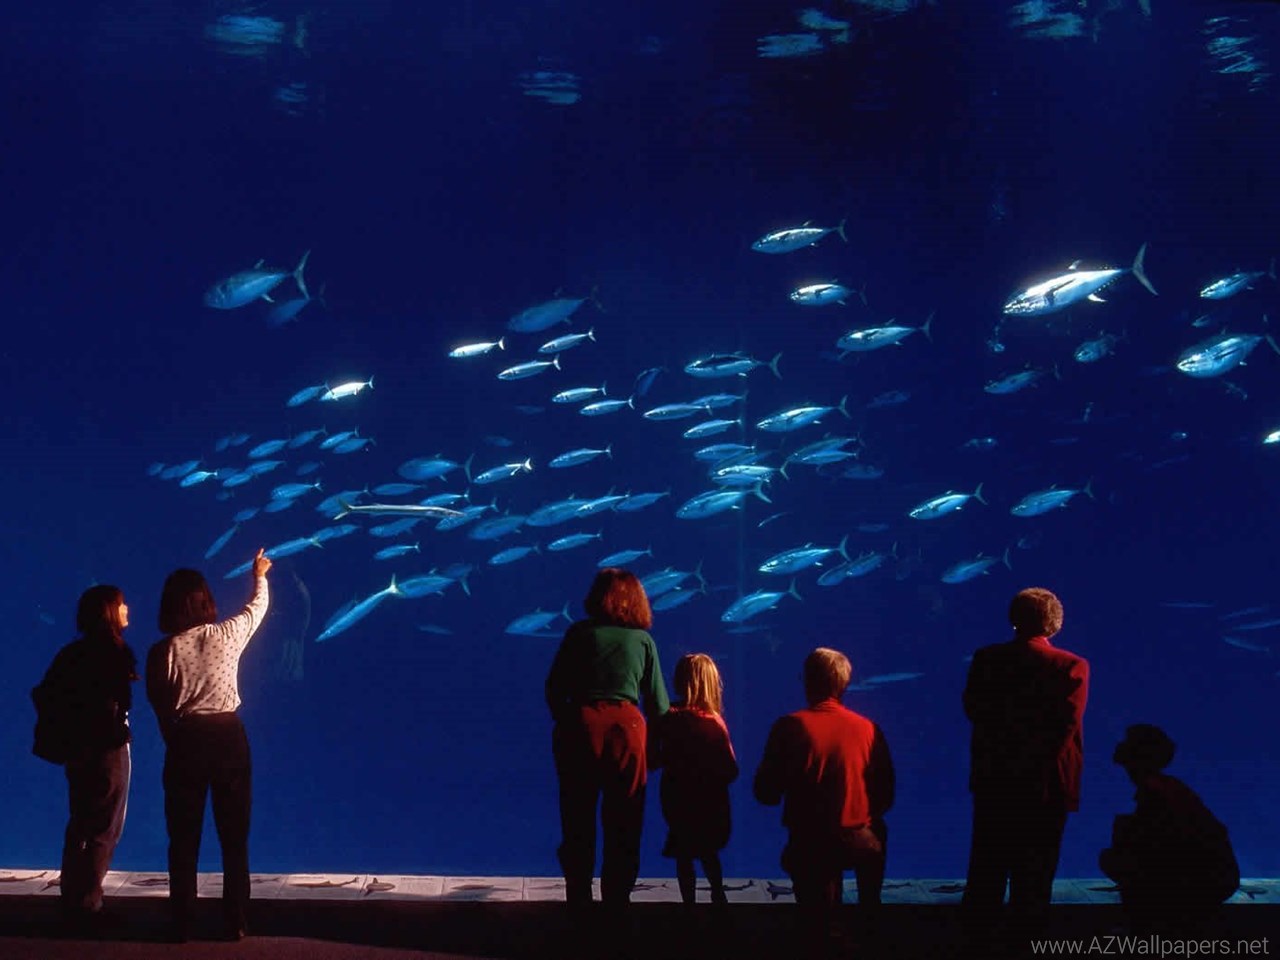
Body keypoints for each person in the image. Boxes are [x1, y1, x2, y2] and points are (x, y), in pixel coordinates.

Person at [147, 548, 271, 942]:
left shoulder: (163, 651)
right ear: (206, 601)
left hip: (186, 739)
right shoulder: (227, 635)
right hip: (228, 737)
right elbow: (257, 609)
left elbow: (160, 705)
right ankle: (235, 919)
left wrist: (175, 739)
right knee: (234, 836)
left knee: (183, 837)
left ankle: (181, 921)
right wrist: (259, 575)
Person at [962, 586, 1089, 952]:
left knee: (986, 870)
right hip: (1046, 786)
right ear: (1055, 623)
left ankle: (974, 947)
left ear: (1013, 619)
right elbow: (1066, 725)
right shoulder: (1071, 665)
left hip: (995, 780)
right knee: (1035, 877)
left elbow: (973, 709)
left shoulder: (987, 659)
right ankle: (1027, 946)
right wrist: (1035, 767)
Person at [545, 568, 670, 915]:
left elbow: (554, 688)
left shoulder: (579, 633)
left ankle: (579, 901)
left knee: (577, 817)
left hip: (581, 726)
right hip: (627, 730)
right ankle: (617, 903)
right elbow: (658, 705)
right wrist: (657, 749)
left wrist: (568, 720)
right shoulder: (643, 641)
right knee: (625, 820)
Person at [754, 647, 894, 956]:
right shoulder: (869, 729)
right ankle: (870, 920)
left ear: (808, 681)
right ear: (844, 684)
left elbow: (765, 793)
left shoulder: (789, 726)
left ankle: (820, 933)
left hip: (810, 842)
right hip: (860, 841)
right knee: (878, 831)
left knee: (815, 909)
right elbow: (886, 794)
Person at [32, 585, 137, 929]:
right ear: (108, 612)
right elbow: (112, 703)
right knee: (105, 826)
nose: (127, 609)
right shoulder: (113, 653)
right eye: (121, 604)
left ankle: (72, 897)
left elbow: (43, 693)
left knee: (80, 821)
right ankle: (89, 904)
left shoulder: (72, 653)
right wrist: (111, 729)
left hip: (77, 751)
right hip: (107, 751)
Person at [1099, 724, 1239, 935]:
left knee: (1116, 856)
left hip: (1204, 880)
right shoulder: (1167, 787)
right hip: (1214, 875)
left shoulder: (1155, 792)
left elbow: (1156, 846)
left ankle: (1153, 928)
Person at [650, 653, 738, 906]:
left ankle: (688, 906)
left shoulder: (669, 718)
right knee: (709, 853)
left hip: (677, 800)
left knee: (683, 854)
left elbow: (654, 760)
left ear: (679, 681)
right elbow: (731, 769)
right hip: (710, 801)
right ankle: (718, 898)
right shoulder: (714, 721)